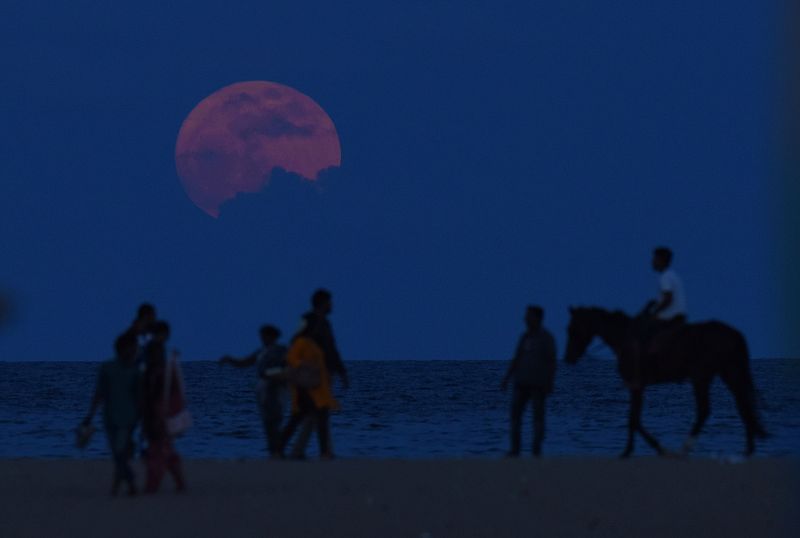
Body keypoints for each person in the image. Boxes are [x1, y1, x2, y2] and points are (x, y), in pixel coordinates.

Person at [82, 331, 142, 496]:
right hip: (109, 418)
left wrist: (143, 418)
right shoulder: (107, 368)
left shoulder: (135, 371)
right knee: (117, 453)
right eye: (131, 348)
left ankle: (119, 485)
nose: (134, 351)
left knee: (120, 450)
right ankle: (128, 482)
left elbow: (140, 396)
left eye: (135, 348)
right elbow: (99, 393)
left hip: (129, 418)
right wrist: (90, 415)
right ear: (122, 349)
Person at [219, 325, 288, 458]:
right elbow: (245, 362)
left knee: (275, 419)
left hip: (276, 388)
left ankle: (278, 450)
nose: (262, 338)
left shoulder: (280, 351)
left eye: (265, 335)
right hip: (264, 390)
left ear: (272, 336)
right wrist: (229, 360)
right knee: (268, 421)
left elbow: (286, 367)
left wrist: (272, 375)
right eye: (262, 335)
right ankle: (273, 451)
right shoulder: (262, 351)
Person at [279, 315, 339, 459]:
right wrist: (305, 366)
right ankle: (323, 452)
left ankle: (281, 448)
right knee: (312, 418)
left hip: (314, 388)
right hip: (306, 389)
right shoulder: (301, 342)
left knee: (301, 418)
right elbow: (291, 359)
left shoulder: (312, 343)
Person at [501, 305, 556, 457]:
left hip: (538, 384)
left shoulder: (546, 338)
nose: (525, 319)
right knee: (515, 416)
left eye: (529, 316)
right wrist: (507, 378)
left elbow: (551, 362)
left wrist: (550, 382)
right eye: (526, 316)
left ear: (537, 318)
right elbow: (517, 358)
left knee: (537, 417)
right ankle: (515, 449)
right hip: (521, 383)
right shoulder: (525, 337)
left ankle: (536, 450)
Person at [141, 321, 187, 493]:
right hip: (159, 405)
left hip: (156, 406)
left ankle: (153, 484)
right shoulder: (157, 353)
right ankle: (177, 481)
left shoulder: (155, 355)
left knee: (157, 447)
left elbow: (154, 383)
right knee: (163, 446)